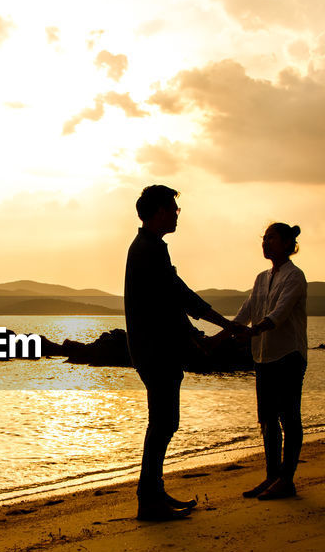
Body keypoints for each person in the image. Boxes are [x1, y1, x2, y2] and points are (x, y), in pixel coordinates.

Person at [124, 185, 251, 521]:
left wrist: (197, 336)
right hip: (154, 351)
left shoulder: (151, 248)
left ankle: (152, 492)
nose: (177, 213)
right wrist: (220, 322)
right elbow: (180, 296)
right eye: (173, 208)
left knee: (164, 422)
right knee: (163, 423)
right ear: (158, 212)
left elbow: (170, 301)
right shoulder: (147, 249)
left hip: (156, 349)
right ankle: (148, 499)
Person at [231, 222, 308, 500]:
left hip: (289, 355)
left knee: (289, 418)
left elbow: (278, 314)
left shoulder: (295, 276)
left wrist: (252, 331)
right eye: (264, 238)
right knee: (266, 420)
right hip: (263, 356)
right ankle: (272, 476)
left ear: (288, 243)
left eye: (272, 238)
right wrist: (220, 337)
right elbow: (246, 311)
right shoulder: (261, 277)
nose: (265, 243)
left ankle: (286, 480)